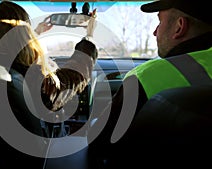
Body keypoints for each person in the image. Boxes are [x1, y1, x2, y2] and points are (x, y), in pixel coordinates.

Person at [88, 0, 212, 163]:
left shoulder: (148, 74)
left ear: (179, 27)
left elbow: (101, 143)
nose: (154, 32)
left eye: (159, 21)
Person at [0, 1, 98, 137]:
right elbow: (70, 81)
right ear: (23, 36)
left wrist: (37, 32)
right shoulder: (26, 78)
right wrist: (89, 37)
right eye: (28, 32)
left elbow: (6, 50)